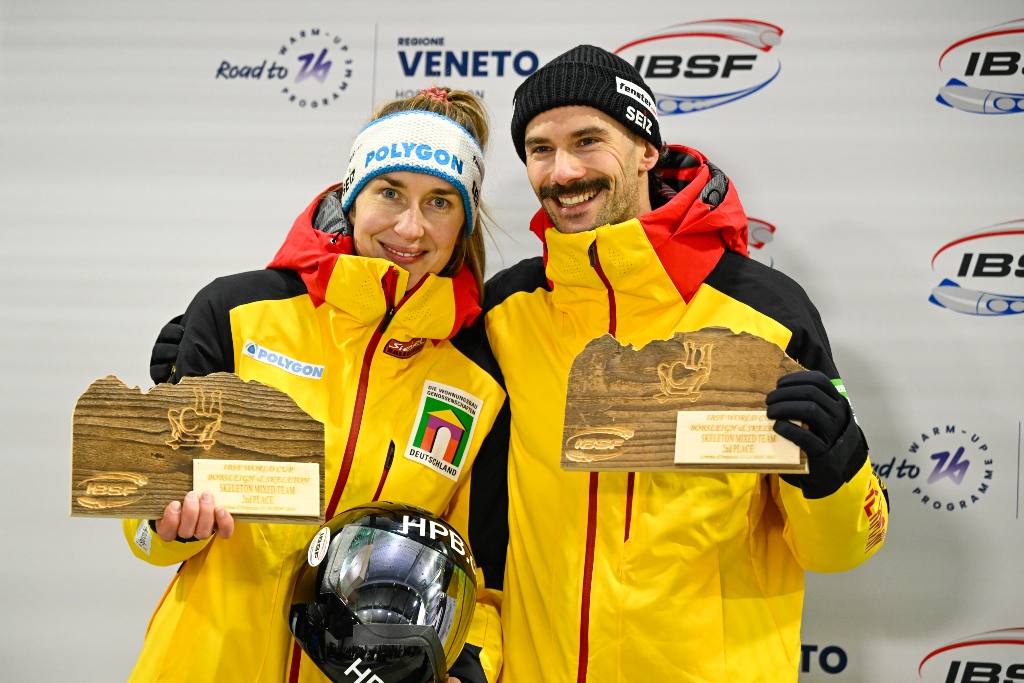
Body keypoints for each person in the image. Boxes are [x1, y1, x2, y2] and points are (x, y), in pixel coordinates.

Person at [473, 46, 889, 682]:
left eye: (589, 141)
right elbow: (478, 517)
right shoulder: (509, 309)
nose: (563, 171)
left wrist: (836, 468)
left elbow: (839, 551)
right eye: (540, 149)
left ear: (646, 150)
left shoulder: (765, 311)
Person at [127, 87, 507, 683]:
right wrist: (164, 520)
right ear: (352, 197)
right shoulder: (238, 311)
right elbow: (147, 525)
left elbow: (476, 575)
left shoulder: (478, 376)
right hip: (206, 662)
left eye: (439, 201)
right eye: (390, 193)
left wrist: (469, 662)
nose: (411, 227)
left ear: (463, 222)